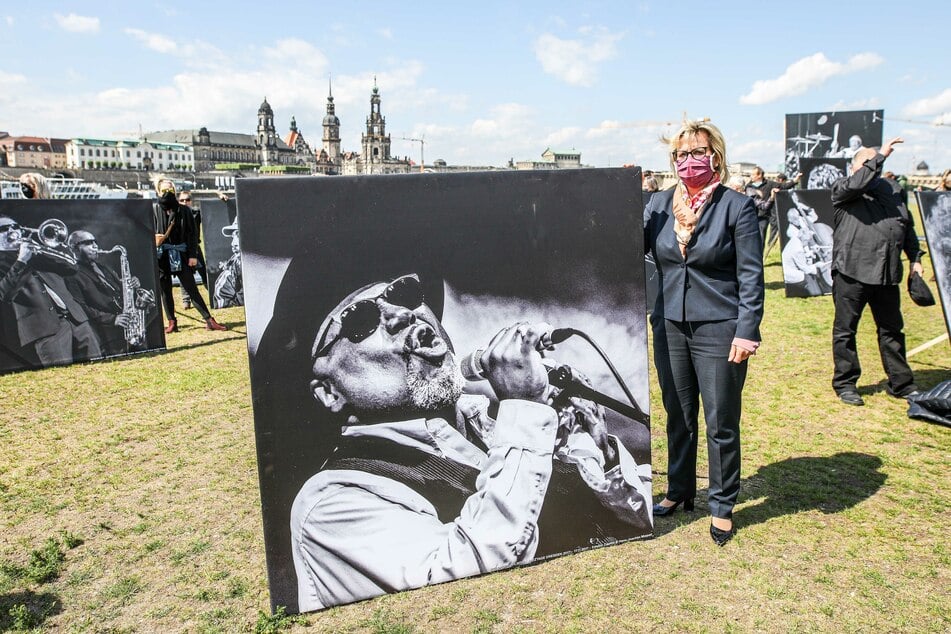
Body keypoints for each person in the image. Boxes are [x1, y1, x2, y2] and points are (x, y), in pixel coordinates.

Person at [290, 272, 653, 611]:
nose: (402, 314)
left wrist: (599, 445)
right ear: (328, 392)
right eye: (360, 320)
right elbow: (459, 590)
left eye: (405, 294)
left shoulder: (495, 433)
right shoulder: (330, 503)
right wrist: (525, 410)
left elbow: (636, 524)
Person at [644, 119, 764, 546]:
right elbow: (629, 247)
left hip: (720, 327)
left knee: (720, 420)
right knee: (678, 413)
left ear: (716, 156)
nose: (688, 161)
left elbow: (751, 276)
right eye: (680, 154)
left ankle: (722, 504)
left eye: (697, 152)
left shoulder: (737, 206)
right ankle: (679, 490)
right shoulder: (657, 205)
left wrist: (746, 331)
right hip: (670, 324)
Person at [830, 138, 922, 406]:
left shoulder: (892, 189)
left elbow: (906, 225)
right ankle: (846, 383)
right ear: (853, 167)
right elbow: (860, 181)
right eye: (867, 163)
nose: (873, 168)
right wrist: (880, 154)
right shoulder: (844, 188)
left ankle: (901, 383)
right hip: (852, 272)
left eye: (876, 164)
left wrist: (915, 257)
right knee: (846, 331)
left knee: (892, 330)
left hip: (886, 273)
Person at [0, 216, 101, 369]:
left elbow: (72, 267)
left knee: (98, 368)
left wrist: (48, 248)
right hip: (45, 328)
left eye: (14, 227)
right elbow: (5, 293)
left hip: (77, 319)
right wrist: (21, 260)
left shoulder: (38, 252)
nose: (12, 231)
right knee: (62, 378)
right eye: (4, 229)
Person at [153, 178, 227, 333]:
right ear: (158, 192)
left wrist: (192, 256)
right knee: (165, 290)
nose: (167, 193)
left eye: (170, 190)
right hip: (162, 256)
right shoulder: (154, 210)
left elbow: (192, 235)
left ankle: (209, 320)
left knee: (191, 288)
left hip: (181, 253)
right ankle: (172, 322)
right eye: (164, 190)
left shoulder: (184, 210)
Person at [65, 230, 154, 356]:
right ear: (74, 248)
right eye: (88, 243)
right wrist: (113, 319)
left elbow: (118, 288)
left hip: (129, 324)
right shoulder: (72, 275)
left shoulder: (103, 267)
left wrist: (131, 283)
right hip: (108, 333)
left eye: (95, 241)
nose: (95, 246)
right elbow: (81, 308)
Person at [176, 191, 203, 309]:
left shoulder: (196, 214)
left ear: (191, 201)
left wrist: (220, 197)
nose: (184, 202)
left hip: (195, 247)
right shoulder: (176, 215)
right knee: (184, 276)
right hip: (182, 249)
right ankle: (186, 300)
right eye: (182, 200)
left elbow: (212, 212)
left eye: (187, 200)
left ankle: (213, 294)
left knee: (204, 272)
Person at [744, 166, 778, 248]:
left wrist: (795, 180)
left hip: (762, 217)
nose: (751, 176)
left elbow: (783, 186)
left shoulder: (769, 184)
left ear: (759, 175)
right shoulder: (749, 187)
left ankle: (759, 258)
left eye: (753, 174)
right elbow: (763, 205)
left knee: (760, 238)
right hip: (751, 217)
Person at [212, 219, 242, 308]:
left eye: (239, 236)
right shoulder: (231, 272)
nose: (233, 244)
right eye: (233, 237)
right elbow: (221, 298)